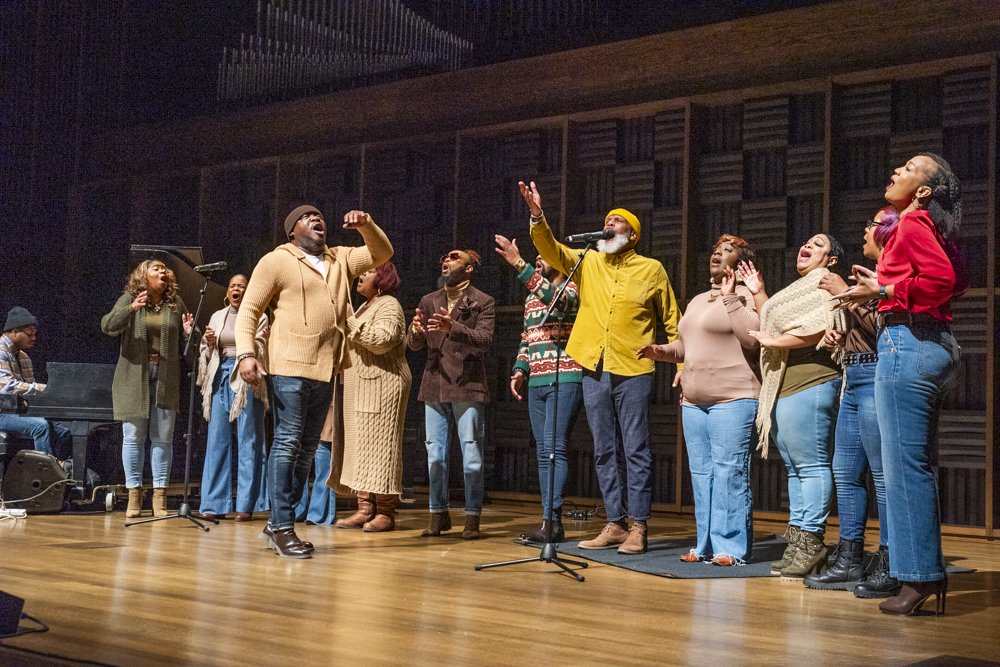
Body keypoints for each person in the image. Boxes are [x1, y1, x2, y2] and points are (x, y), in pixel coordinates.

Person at [833, 153, 963, 616]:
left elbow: (944, 281)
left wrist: (886, 292)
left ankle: (918, 578)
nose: (895, 173)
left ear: (924, 190)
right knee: (914, 467)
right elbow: (958, 279)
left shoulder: (910, 223)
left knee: (905, 471)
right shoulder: (929, 226)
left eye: (908, 170)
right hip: (930, 344)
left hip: (907, 343)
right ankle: (924, 574)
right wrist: (887, 283)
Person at [522, 181, 681, 556]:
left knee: (636, 448)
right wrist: (537, 215)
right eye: (606, 220)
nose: (609, 224)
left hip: (634, 367)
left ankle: (639, 526)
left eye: (617, 221)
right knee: (604, 449)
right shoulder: (587, 260)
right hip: (593, 366)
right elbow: (551, 250)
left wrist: (681, 361)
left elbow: (674, 320)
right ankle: (614, 522)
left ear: (632, 234)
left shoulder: (652, 269)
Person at [236, 205, 392, 559]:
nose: (317, 220)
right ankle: (283, 525)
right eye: (308, 217)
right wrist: (246, 354)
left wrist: (367, 225)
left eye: (320, 216)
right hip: (289, 364)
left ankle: (278, 520)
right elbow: (250, 309)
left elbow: (382, 253)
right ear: (292, 231)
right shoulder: (277, 261)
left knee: (306, 449)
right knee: (289, 442)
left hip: (326, 367)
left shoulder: (340, 258)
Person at [638, 235, 760, 566]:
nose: (716, 255)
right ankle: (705, 544)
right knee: (701, 473)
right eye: (714, 250)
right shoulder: (696, 300)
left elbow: (753, 338)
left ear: (741, 261)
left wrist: (731, 296)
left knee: (730, 472)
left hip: (733, 398)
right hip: (694, 402)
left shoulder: (749, 295)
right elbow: (684, 345)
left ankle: (731, 549)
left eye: (727, 251)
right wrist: (662, 352)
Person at [743, 233, 846, 579]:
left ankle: (813, 542)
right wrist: (758, 293)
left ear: (831, 260)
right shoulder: (797, 289)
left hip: (813, 379)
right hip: (786, 383)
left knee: (812, 465)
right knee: (795, 467)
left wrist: (777, 340)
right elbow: (777, 321)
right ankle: (798, 540)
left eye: (819, 245)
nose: (808, 246)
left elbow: (819, 326)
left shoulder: (825, 284)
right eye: (806, 242)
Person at [805, 208, 897, 595]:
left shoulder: (891, 278)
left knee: (882, 476)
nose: (865, 229)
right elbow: (867, 328)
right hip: (854, 376)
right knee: (844, 473)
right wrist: (843, 341)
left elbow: (890, 329)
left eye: (873, 225)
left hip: (878, 376)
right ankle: (849, 559)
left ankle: (892, 561)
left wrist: (845, 293)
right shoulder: (867, 277)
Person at [495, 235, 584, 544]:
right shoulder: (533, 296)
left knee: (554, 449)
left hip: (565, 377)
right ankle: (548, 520)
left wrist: (518, 264)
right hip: (538, 381)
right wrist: (521, 368)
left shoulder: (571, 289)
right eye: (535, 258)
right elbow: (527, 334)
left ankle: (553, 521)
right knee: (543, 453)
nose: (538, 260)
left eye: (544, 257)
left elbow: (557, 302)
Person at [407, 249, 495, 540]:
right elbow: (416, 345)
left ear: (469, 268)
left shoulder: (483, 301)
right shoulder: (428, 300)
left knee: (471, 453)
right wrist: (416, 332)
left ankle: (472, 517)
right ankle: (438, 515)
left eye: (454, 258)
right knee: (435, 453)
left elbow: (485, 341)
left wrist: (453, 327)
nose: (445, 260)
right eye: (443, 257)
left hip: (468, 384)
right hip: (435, 382)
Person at [322, 260, 411, 532]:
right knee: (360, 447)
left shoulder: (389, 305)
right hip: (359, 386)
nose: (360, 275)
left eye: (369, 271)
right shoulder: (365, 306)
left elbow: (383, 341)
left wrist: (348, 321)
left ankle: (385, 511)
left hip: (383, 387)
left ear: (383, 279)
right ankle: (365, 508)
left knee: (382, 448)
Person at [102, 260, 194, 519]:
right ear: (143, 275)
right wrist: (131, 309)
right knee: (133, 438)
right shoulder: (129, 299)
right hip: (133, 377)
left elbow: (189, 337)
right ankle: (134, 495)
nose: (163, 272)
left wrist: (190, 332)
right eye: (156, 268)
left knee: (163, 439)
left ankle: (160, 495)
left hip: (167, 377)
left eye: (165, 269)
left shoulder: (175, 304)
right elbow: (108, 326)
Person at [196, 274, 269, 521]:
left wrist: (258, 347)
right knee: (217, 439)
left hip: (246, 376)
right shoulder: (217, 316)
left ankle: (246, 504)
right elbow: (206, 353)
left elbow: (260, 346)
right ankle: (214, 503)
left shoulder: (259, 315)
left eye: (242, 286)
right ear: (227, 292)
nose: (236, 289)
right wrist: (208, 343)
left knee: (249, 440)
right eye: (232, 286)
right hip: (219, 375)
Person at [0, 307, 72, 466]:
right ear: (14, 332)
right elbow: (6, 387)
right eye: (29, 334)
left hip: (18, 411)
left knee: (65, 430)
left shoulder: (24, 357)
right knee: (40, 427)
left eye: (35, 334)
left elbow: (30, 392)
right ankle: (44, 472)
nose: (34, 338)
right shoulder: (1, 351)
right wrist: (43, 389)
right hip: (2, 413)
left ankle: (60, 466)